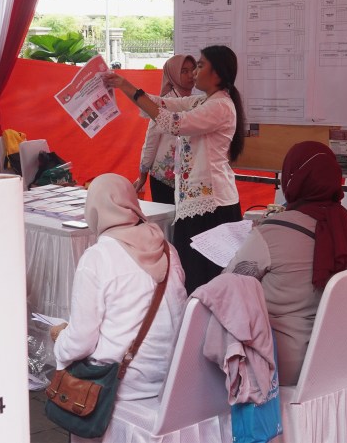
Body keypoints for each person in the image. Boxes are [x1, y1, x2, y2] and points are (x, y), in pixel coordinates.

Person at [223, 141, 347, 385]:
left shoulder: (273, 231)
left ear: (292, 179)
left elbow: (229, 286)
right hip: (344, 357)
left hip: (285, 364)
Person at [104, 45, 246, 295]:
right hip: (197, 202)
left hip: (212, 205)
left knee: (207, 281)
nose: (194, 73)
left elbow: (174, 124)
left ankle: (204, 331)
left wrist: (127, 87)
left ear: (217, 74)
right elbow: (165, 104)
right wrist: (125, 86)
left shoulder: (220, 106)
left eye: (200, 66)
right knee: (194, 277)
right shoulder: (204, 100)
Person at [49, 173, 187, 401]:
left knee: (68, 354)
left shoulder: (98, 257)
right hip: (171, 376)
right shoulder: (167, 248)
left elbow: (80, 343)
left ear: (93, 210)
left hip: (120, 383)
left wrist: (59, 339)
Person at [134, 54, 196, 205]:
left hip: (189, 178)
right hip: (164, 178)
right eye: (184, 71)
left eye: (193, 70)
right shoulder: (164, 103)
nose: (191, 75)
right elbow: (151, 140)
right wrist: (143, 175)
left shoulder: (195, 102)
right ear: (173, 74)